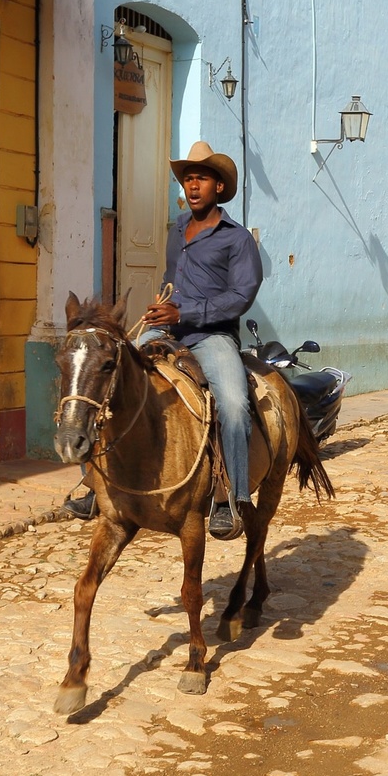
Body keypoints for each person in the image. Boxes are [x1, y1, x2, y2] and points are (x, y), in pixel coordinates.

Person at [134, 141, 263, 539]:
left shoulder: (236, 239)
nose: (193, 186)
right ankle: (96, 485)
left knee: (235, 406)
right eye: (188, 178)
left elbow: (241, 296)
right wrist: (163, 307)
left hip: (213, 337)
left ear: (219, 187)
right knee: (110, 375)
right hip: (168, 330)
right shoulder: (176, 230)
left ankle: (231, 499)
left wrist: (186, 313)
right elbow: (172, 282)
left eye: (201, 179)